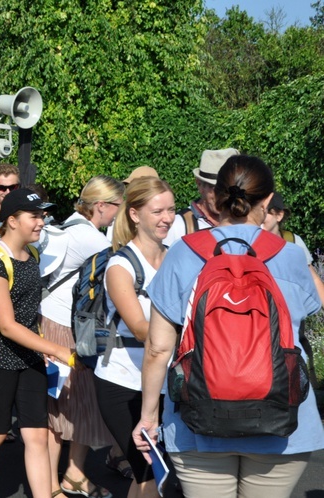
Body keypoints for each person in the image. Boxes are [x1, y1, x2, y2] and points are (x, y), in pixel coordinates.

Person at [135, 155, 324, 497]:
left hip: (198, 415)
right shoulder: (292, 255)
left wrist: (148, 416)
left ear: (214, 197)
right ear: (267, 201)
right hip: (283, 417)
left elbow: (159, 347)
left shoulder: (182, 253)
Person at [0, 188, 75, 498]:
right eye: (34, 216)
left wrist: (40, 349)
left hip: (28, 358)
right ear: (12, 221)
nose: (41, 222)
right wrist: (55, 349)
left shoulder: (33, 254)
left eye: (43, 215)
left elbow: (28, 312)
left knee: (37, 435)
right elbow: (8, 325)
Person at [37, 175, 124, 498]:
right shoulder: (92, 240)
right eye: (118, 205)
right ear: (101, 205)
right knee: (65, 409)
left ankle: (69, 474)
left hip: (55, 322)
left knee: (67, 407)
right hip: (65, 329)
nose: (119, 213)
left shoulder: (65, 227)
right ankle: (53, 484)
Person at [92, 177, 175, 498]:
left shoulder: (176, 258)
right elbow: (142, 329)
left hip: (166, 382)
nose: (167, 218)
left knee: (152, 476)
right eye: (157, 211)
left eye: (170, 209)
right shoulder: (120, 265)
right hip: (121, 383)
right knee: (150, 474)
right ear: (135, 214)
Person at [163, 148, 238, 246]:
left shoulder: (246, 221)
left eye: (228, 189)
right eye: (215, 188)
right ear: (199, 185)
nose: (222, 195)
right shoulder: (178, 226)